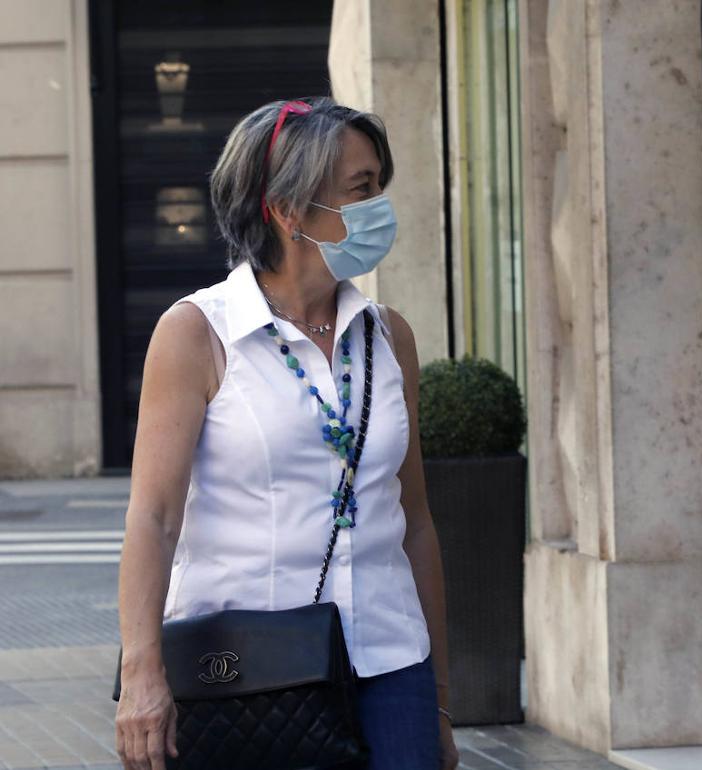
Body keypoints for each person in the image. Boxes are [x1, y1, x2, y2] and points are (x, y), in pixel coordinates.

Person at [114, 97, 459, 770]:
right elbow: (152, 519)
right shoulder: (196, 334)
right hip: (251, 675)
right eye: (361, 189)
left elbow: (414, 520)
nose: (378, 206)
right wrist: (142, 674)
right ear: (287, 207)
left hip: (393, 667)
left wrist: (440, 700)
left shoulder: (390, 336)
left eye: (378, 185)